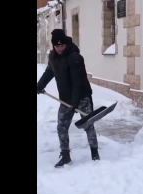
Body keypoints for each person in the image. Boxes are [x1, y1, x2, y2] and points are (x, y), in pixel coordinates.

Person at [37, 29, 100, 168]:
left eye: (62, 45)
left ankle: (95, 153)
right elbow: (49, 72)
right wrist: (39, 85)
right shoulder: (53, 57)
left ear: (66, 43)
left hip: (82, 96)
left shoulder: (75, 57)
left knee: (88, 124)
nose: (59, 48)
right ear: (53, 46)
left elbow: (78, 81)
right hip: (65, 98)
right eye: (57, 46)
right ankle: (65, 155)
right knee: (61, 127)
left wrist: (75, 102)